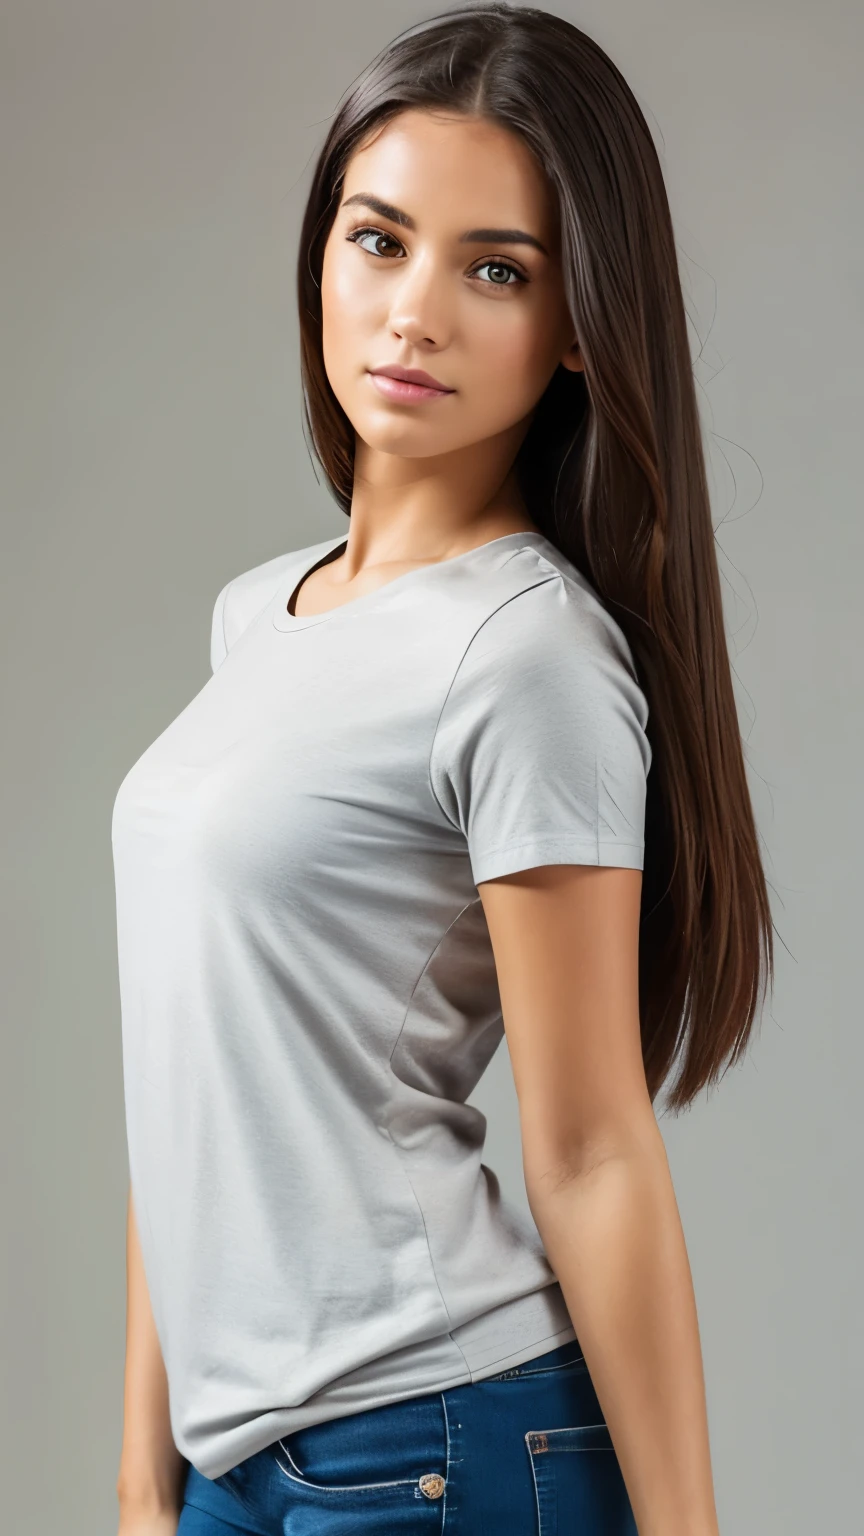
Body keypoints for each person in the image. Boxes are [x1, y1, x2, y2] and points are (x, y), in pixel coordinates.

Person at [112, 6, 773, 1534]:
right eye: (377, 240)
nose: (413, 312)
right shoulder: (257, 615)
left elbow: (594, 1143)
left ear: (577, 326)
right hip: (240, 1461)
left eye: (495, 270)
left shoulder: (526, 654)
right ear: (318, 259)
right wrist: (143, 1480)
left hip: (434, 1446)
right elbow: (190, 1083)